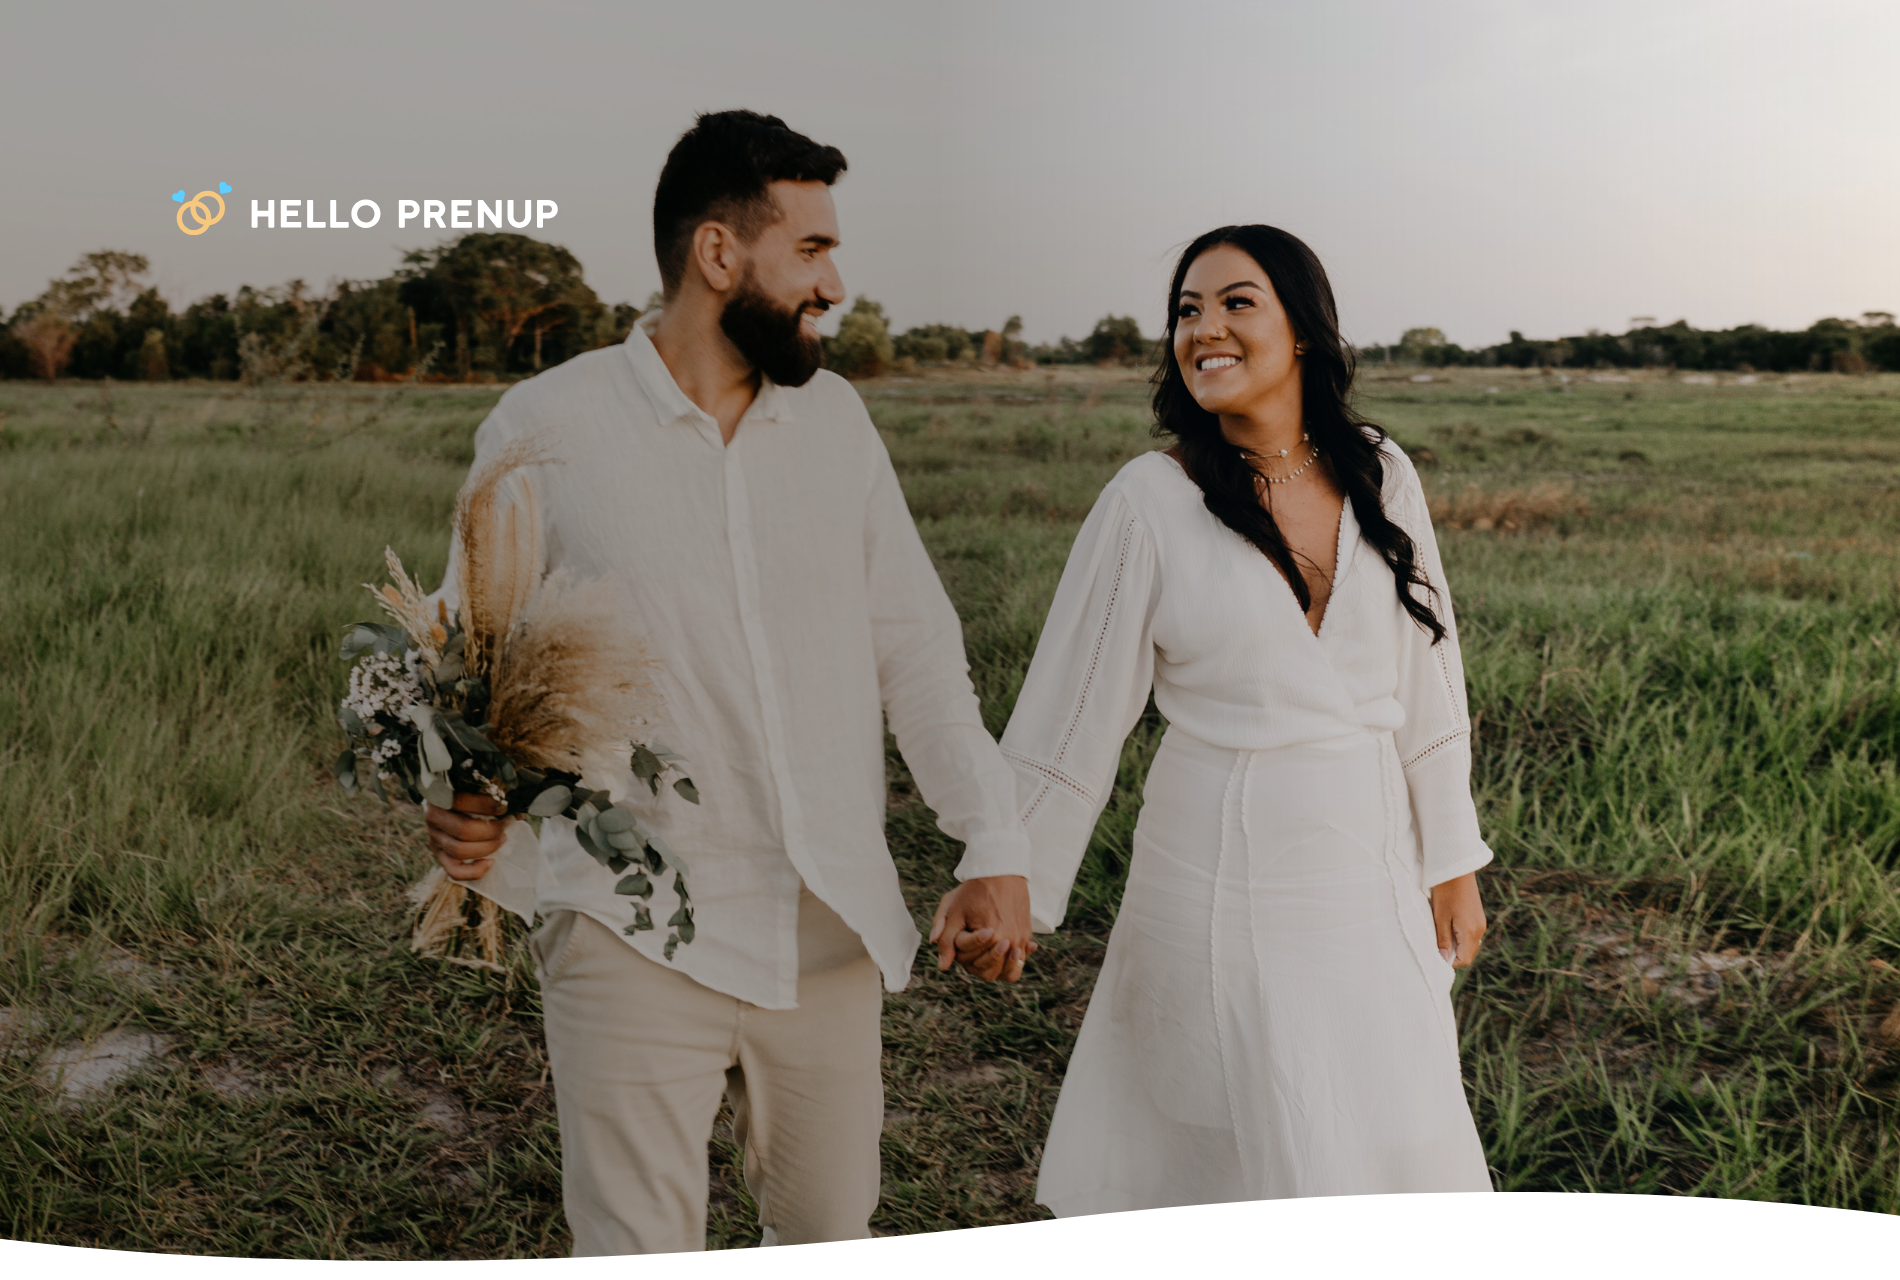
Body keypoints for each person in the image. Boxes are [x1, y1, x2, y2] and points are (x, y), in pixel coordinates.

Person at [420, 110, 1035, 1254]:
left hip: (827, 927)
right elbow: (467, 658)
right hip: (628, 927)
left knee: (828, 1232)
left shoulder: (838, 423)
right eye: (810, 250)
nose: (836, 282)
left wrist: (991, 842)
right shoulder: (544, 427)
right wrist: (457, 791)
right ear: (719, 254)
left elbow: (916, 647)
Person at [999, 224, 1494, 1214]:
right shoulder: (1151, 499)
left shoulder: (1380, 472)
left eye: (1235, 302)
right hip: (1212, 871)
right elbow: (1072, 707)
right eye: (1187, 309)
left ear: (1302, 331)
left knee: (1378, 1121)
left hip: (1364, 865)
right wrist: (1006, 872)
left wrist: (1451, 853)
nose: (1204, 328)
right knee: (1215, 1132)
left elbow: (1431, 672)